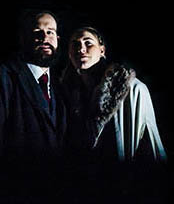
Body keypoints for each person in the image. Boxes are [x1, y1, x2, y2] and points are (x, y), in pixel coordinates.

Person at [0, 10, 68, 201]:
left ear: (58, 39)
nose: (45, 37)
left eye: (50, 32)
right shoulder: (2, 78)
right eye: (37, 32)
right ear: (24, 38)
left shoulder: (61, 85)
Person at [60, 26, 167, 164]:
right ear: (69, 53)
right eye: (75, 44)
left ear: (102, 50)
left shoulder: (133, 89)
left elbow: (150, 145)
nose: (81, 49)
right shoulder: (64, 94)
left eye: (88, 43)